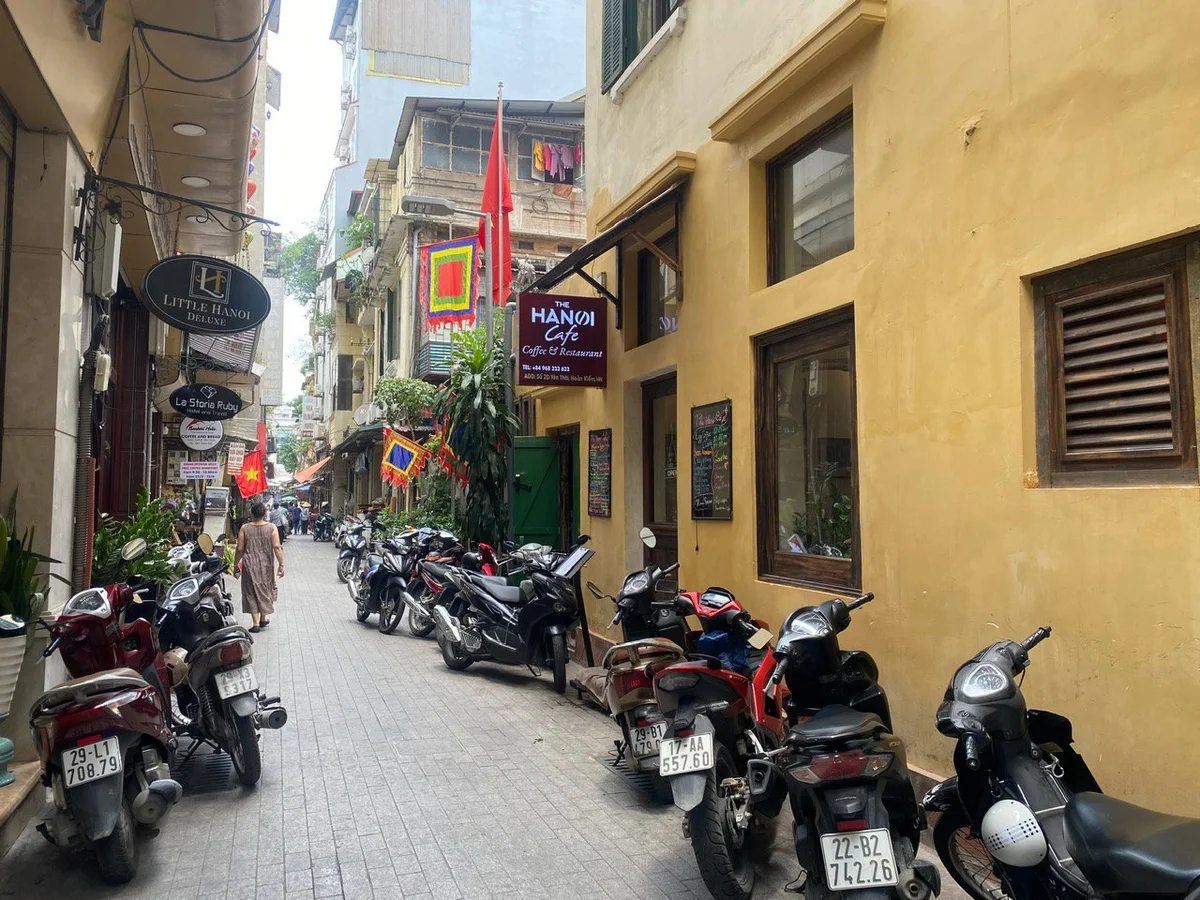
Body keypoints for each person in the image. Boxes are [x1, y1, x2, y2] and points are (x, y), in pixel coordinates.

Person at [235, 501, 284, 633]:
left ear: (252, 513)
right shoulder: (272, 527)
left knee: (251, 591)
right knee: (265, 588)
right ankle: (263, 618)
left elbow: (239, 548)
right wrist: (281, 565)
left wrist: (235, 564)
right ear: (264, 513)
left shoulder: (244, 528)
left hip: (249, 565)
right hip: (266, 565)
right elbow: (277, 547)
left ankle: (256, 622)